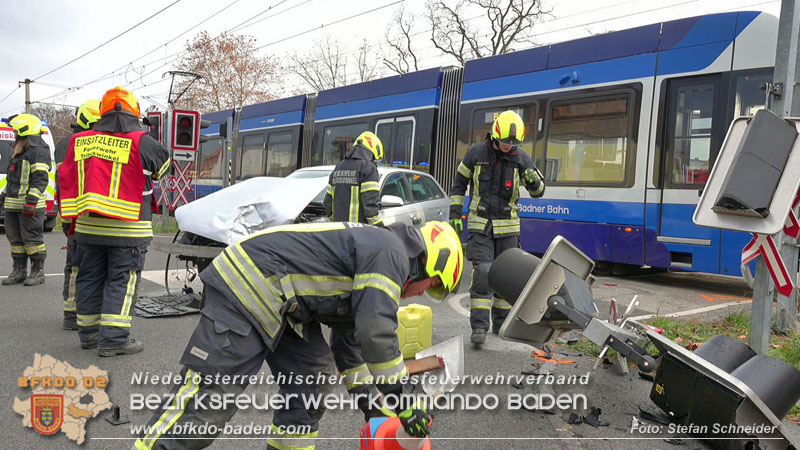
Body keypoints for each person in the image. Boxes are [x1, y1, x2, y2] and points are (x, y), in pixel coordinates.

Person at [133, 220, 463, 450]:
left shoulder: (379, 254)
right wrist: (404, 400)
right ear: (428, 263)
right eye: (433, 288)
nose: (422, 295)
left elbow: (352, 348)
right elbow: (377, 332)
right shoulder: (389, 253)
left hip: (286, 303)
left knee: (314, 377)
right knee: (208, 405)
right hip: (250, 286)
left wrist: (376, 411)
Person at [58, 87, 170, 356]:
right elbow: (163, 169)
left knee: (89, 279)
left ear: (103, 112)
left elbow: (68, 176)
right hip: (128, 229)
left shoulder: (80, 141)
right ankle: (114, 339)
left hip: (87, 227)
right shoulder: (143, 141)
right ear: (135, 114)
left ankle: (88, 335)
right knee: (122, 280)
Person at [449, 110, 545, 347]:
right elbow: (459, 183)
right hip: (481, 226)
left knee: (505, 277)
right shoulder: (475, 154)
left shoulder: (521, 158)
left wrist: (534, 182)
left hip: (509, 230)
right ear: (494, 135)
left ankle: (501, 322)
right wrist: (455, 214)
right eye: (505, 142)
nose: (508, 147)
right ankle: (479, 327)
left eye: (513, 144)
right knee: (483, 272)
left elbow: (539, 191)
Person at [54, 99, 101, 330]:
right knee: (86, 268)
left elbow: (63, 184)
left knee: (74, 268)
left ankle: (71, 315)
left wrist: (65, 219)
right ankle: (79, 316)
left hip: (73, 214)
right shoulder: (94, 142)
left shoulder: (65, 144)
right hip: (88, 215)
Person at [1, 113, 51, 287]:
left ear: (24, 130)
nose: (14, 133)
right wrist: (3, 198)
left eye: (15, 130)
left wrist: (31, 202)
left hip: (30, 207)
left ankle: (38, 272)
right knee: (15, 240)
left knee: (32, 240)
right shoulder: (20, 151)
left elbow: (40, 179)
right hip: (14, 205)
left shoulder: (38, 152)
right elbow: (13, 180)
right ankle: (19, 271)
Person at [324, 131, 384, 226]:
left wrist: (335, 220)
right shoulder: (369, 167)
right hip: (359, 233)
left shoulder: (338, 167)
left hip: (338, 232)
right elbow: (370, 208)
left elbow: (327, 203)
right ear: (374, 150)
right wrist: (381, 227)